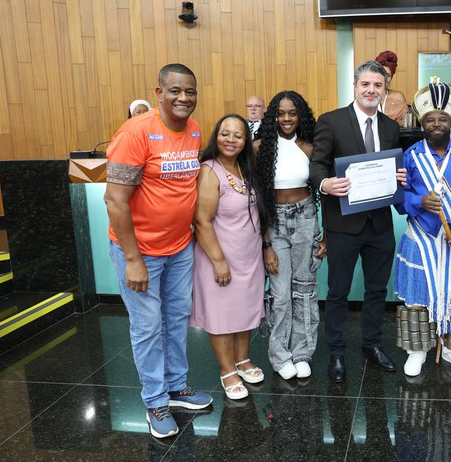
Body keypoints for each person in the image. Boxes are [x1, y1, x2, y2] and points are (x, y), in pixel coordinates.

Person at [104, 63, 213, 439]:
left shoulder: (194, 130)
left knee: (177, 318)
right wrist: (133, 260)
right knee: (148, 327)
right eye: (176, 91)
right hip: (140, 252)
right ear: (159, 93)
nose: (184, 98)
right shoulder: (136, 132)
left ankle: (176, 388)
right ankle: (155, 402)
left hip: (179, 247)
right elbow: (115, 200)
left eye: (190, 91)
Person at [309, 60, 406, 383]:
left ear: (384, 90)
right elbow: (317, 165)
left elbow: (391, 170)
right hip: (343, 225)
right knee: (338, 291)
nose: (371, 90)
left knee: (377, 290)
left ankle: (372, 345)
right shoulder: (331, 121)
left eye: (378, 85)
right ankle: (336, 351)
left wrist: (399, 178)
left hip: (379, 225)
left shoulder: (390, 127)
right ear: (355, 86)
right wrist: (325, 184)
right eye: (365, 84)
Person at [393, 79, 451, 377]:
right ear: (422, 123)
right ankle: (417, 350)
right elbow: (399, 198)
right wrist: (419, 201)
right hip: (421, 238)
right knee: (418, 297)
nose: (436, 124)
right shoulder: (410, 157)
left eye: (442, 119)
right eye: (430, 120)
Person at [192, 114, 269, 401]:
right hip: (220, 258)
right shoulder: (209, 170)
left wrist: (265, 247)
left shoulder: (244, 168)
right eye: (225, 134)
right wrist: (218, 261)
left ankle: (242, 360)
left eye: (238, 135)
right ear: (216, 136)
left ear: (245, 141)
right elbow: (201, 221)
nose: (231, 140)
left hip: (249, 258)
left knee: (244, 310)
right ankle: (227, 371)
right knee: (222, 316)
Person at [254, 91, 327, 380]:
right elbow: (256, 199)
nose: (286, 118)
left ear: (301, 116)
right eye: (281, 113)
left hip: (306, 218)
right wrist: (266, 244)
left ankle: (302, 353)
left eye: (292, 113)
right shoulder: (259, 148)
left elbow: (325, 190)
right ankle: (280, 355)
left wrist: (326, 235)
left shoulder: (309, 147)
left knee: (306, 288)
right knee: (280, 293)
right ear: (272, 116)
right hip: (274, 222)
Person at [375, 50, 410, 124]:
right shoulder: (367, 96)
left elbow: (406, 125)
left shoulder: (398, 97)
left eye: (388, 75)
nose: (384, 79)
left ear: (391, 77)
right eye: (381, 74)